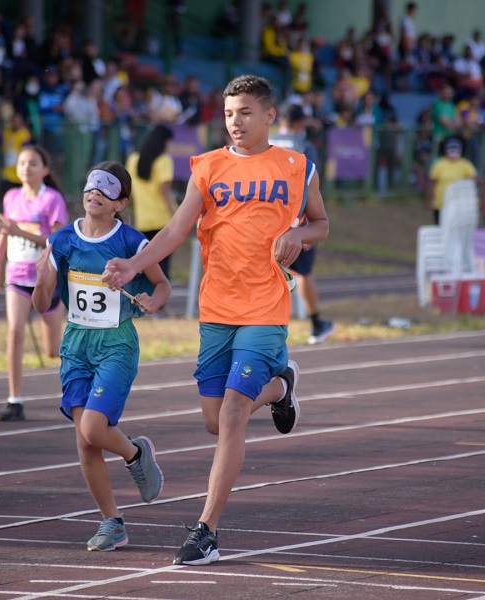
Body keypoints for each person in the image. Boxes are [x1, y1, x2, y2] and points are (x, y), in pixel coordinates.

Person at [102, 74, 329, 566]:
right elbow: (177, 228)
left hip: (266, 308)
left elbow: (321, 222)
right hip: (217, 309)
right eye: (229, 113)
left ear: (269, 115)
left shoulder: (297, 166)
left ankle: (206, 530)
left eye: (245, 112)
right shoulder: (207, 167)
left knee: (230, 415)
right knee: (213, 420)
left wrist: (301, 237)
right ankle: (281, 388)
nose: (235, 122)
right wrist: (134, 265)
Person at [32, 161, 171, 552]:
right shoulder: (62, 241)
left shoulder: (131, 242)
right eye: (91, 186)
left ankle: (135, 452)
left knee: (93, 428)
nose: (95, 193)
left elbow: (162, 286)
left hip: (115, 344)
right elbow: (43, 303)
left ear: (120, 203)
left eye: (106, 190)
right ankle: (112, 522)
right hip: (75, 345)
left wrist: (151, 302)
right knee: (85, 443)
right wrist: (43, 279)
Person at [0, 145, 68, 421]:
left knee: (53, 349)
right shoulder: (11, 197)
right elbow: (5, 232)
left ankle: (78, 384)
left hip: (47, 278)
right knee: (15, 332)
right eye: (22, 163)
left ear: (45, 170)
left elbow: (57, 241)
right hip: (17, 277)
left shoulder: (52, 200)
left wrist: (18, 231)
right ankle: (15, 400)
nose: (26, 168)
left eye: (33, 163)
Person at [269, 103, 334, 344]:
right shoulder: (304, 146)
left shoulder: (264, 141)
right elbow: (311, 184)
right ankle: (316, 324)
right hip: (297, 221)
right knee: (304, 272)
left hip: (265, 218)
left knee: (267, 271)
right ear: (300, 123)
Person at [126, 124, 177, 281]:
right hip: (162, 220)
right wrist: (177, 217)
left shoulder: (133, 160)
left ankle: (145, 301)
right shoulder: (164, 161)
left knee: (144, 264)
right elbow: (165, 193)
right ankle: (160, 303)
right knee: (163, 265)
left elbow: (132, 193)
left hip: (143, 221)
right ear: (163, 141)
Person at [426, 135, 477, 225]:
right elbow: (432, 183)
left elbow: (472, 182)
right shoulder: (439, 164)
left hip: (458, 205)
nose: (453, 152)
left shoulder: (466, 165)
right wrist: (429, 199)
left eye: (456, 149)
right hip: (440, 203)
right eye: (451, 149)